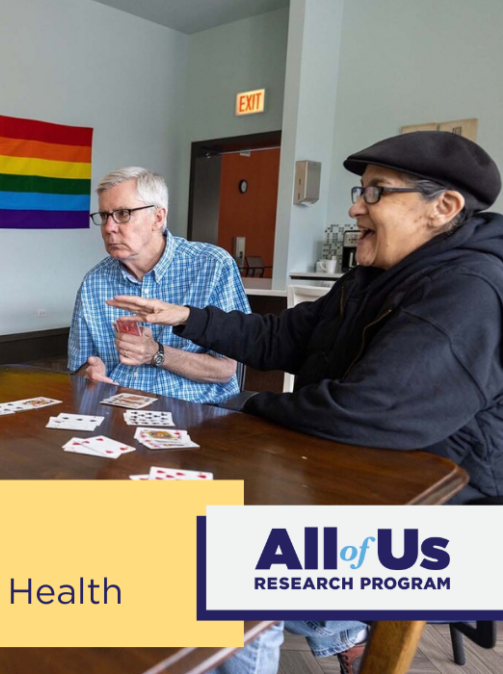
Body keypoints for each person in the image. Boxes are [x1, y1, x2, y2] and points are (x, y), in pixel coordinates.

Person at [109, 131, 503, 674]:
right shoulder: (371, 276)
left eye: (375, 193)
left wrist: (241, 406)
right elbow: (281, 339)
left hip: (443, 529)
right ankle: (334, 635)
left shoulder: (468, 288)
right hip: (359, 475)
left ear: (445, 208)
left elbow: (365, 413)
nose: (353, 206)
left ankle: (332, 629)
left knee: (217, 566)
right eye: (359, 190)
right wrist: (187, 318)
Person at [68, 167, 249, 403]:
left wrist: (157, 354)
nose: (109, 227)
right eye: (104, 216)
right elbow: (78, 369)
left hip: (202, 413)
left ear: (158, 217)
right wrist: (90, 373)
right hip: (117, 411)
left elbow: (225, 369)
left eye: (123, 213)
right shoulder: (94, 282)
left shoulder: (213, 266)